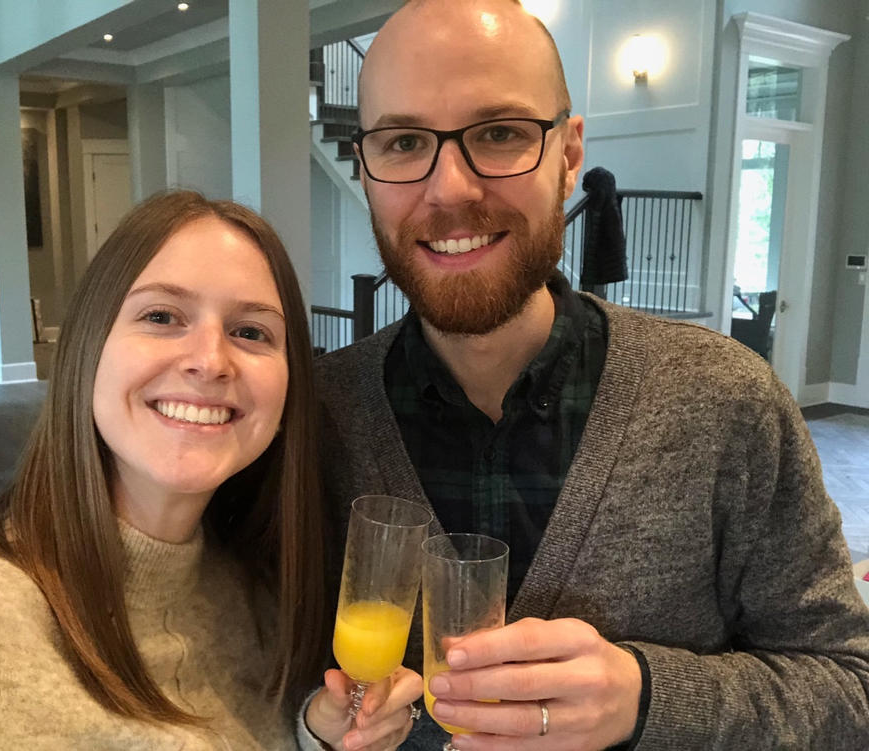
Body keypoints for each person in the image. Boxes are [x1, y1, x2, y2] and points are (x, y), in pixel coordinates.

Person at [314, 1, 869, 749]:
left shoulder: (725, 401)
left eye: (500, 133)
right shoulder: (313, 417)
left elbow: (849, 684)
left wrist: (646, 698)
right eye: (405, 141)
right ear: (367, 164)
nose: (448, 189)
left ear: (570, 153)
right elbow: (252, 678)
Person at [0, 191, 417, 750]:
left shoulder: (259, 599)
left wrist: (315, 737)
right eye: (161, 316)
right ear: (88, 348)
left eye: (251, 332)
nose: (209, 360)